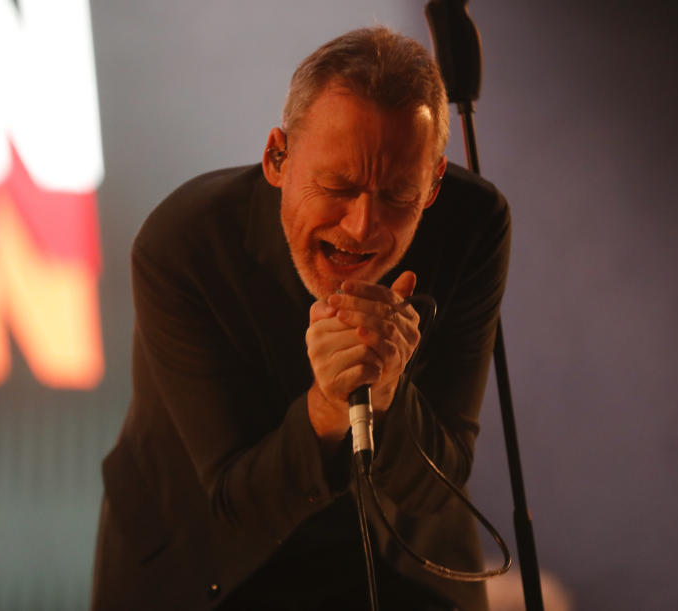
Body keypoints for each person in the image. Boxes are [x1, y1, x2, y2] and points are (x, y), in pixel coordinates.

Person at [91, 26, 510, 611]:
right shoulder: (184, 242)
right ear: (277, 158)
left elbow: (440, 483)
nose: (363, 227)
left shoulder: (474, 223)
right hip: (209, 565)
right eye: (337, 186)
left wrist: (386, 392)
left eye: (397, 196)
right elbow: (236, 502)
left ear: (434, 182)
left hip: (404, 561)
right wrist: (328, 406)